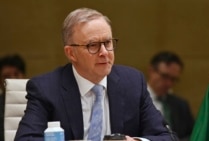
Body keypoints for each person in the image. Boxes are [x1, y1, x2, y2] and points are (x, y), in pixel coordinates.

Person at [15, 8, 176, 141]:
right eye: (93, 45)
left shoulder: (133, 82)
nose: (104, 53)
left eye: (107, 43)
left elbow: (165, 137)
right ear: (71, 53)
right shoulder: (46, 89)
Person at [147, 51, 194, 141]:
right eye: (165, 76)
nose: (169, 83)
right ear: (151, 71)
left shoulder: (181, 105)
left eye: (173, 79)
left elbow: (192, 135)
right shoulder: (135, 100)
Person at [0, 54, 26, 141]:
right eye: (6, 76)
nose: (12, 79)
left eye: (16, 74)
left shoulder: (36, 101)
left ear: (24, 76)